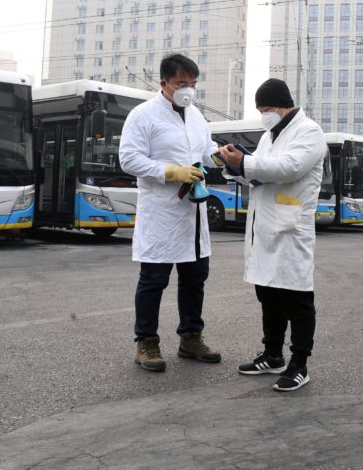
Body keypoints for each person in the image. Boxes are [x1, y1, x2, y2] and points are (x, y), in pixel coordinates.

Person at [218, 78, 327, 392]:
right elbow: (260, 175)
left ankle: (299, 363)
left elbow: (289, 168)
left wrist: (247, 162)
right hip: (264, 226)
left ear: (281, 104)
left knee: (296, 297)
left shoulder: (309, 132)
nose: (263, 114)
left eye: (266, 108)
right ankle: (272, 354)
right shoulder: (269, 135)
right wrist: (234, 165)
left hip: (291, 228)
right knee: (268, 294)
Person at [119, 53, 222, 373]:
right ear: (164, 83)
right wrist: (171, 172)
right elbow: (129, 159)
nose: (187, 90)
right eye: (181, 84)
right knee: (153, 280)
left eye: (192, 84)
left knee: (195, 279)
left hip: (192, 214)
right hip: (162, 212)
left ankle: (191, 337)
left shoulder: (196, 117)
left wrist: (220, 156)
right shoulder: (143, 115)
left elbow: (206, 151)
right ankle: (146, 342)